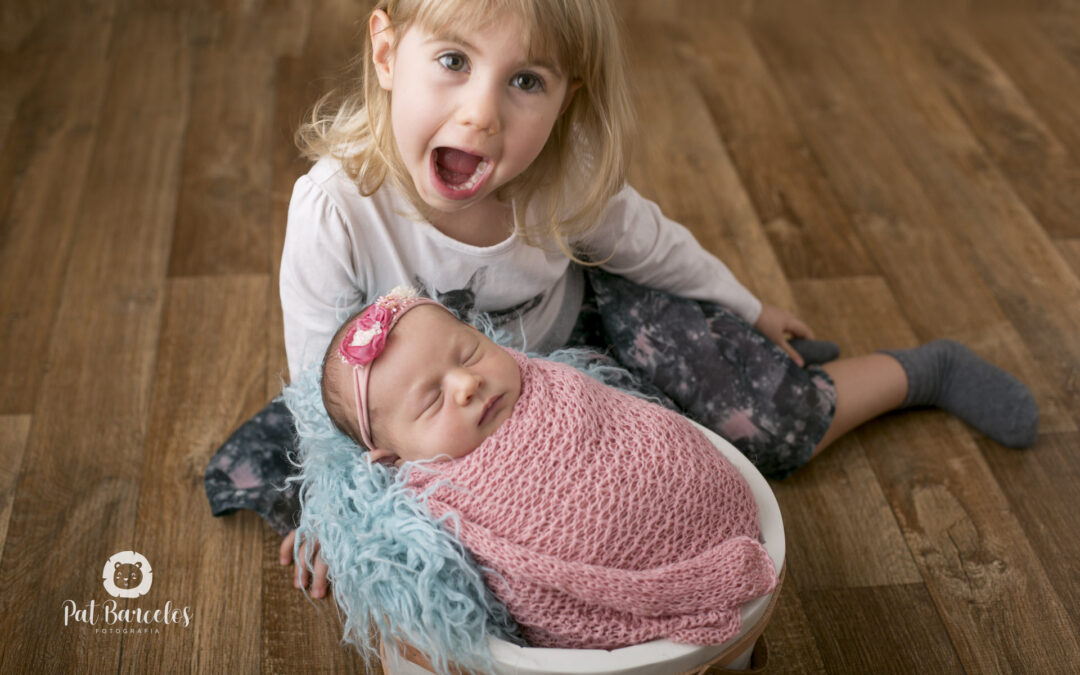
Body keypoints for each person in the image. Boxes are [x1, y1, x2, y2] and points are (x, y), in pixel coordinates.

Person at [203, 0, 1039, 599]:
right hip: (431, 408)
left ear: (567, 96)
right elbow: (318, 374)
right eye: (453, 62)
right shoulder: (335, 208)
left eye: (524, 80)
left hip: (580, 345)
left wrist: (747, 308)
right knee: (314, 483)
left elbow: (657, 245)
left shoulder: (557, 185)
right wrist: (337, 513)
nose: (483, 113)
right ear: (388, 52)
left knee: (756, 426)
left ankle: (918, 373)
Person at [320, 288, 778, 649]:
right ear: (395, 461)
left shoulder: (544, 382)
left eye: (469, 353)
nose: (467, 384)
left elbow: (632, 423)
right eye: (433, 400)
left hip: (700, 488)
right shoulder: (438, 494)